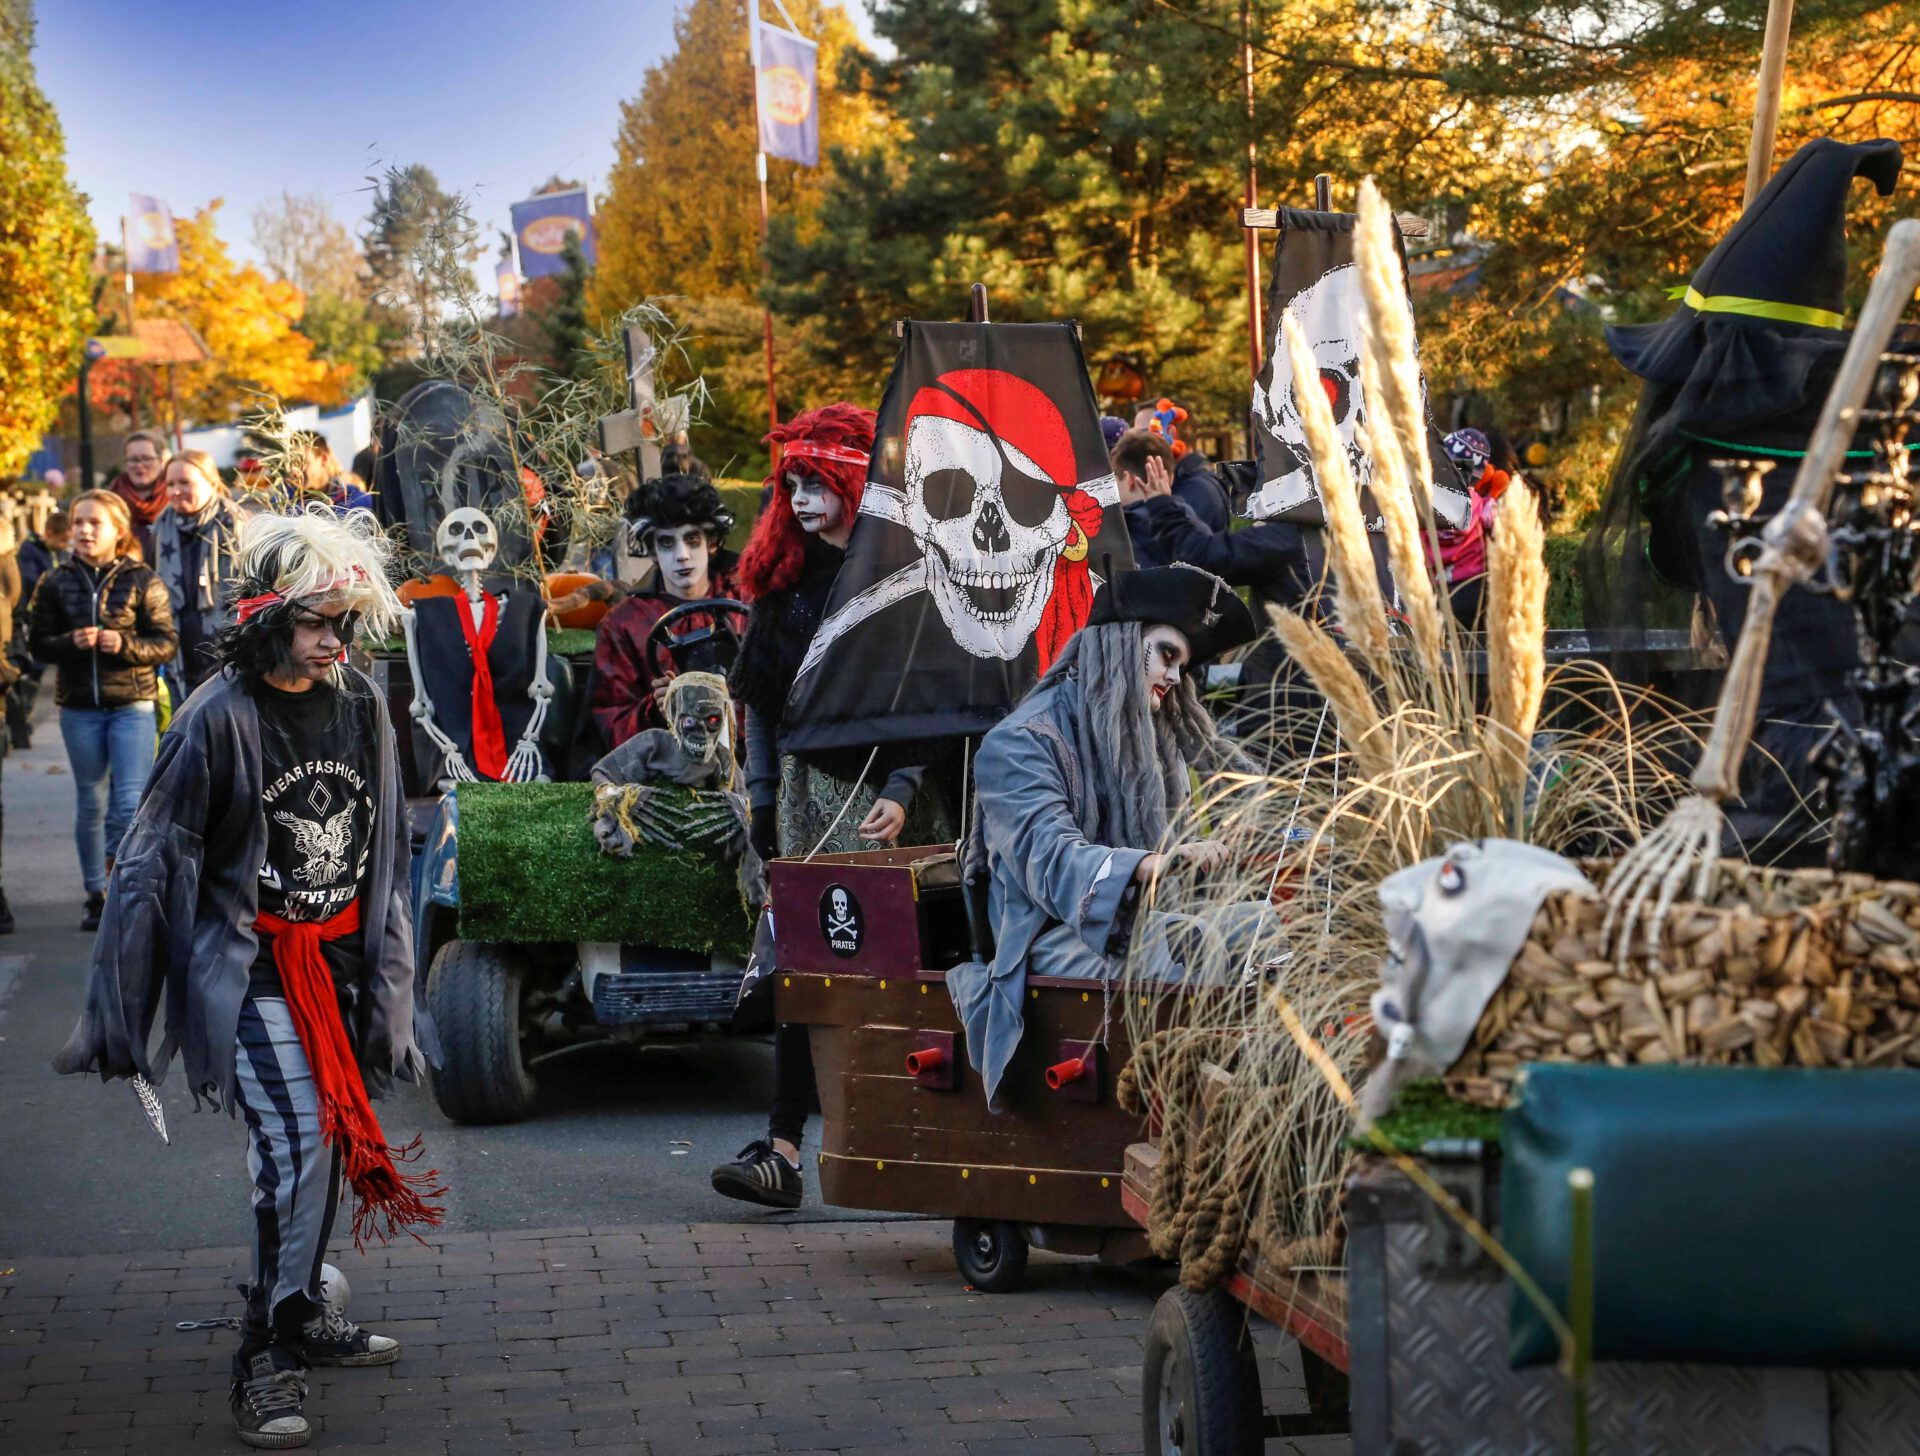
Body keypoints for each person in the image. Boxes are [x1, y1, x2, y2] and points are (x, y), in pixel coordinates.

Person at [52, 505, 440, 1452]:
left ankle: (301, 1308)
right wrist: (118, 1009)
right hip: (256, 964)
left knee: (326, 1146)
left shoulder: (357, 703)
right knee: (303, 1139)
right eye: (314, 625)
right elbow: (148, 867)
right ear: (269, 619)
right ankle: (263, 1356)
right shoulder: (214, 717)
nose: (331, 644)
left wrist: (392, 979)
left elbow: (385, 844)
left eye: (343, 627)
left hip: (341, 962)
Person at [710, 403, 951, 1210]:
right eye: (792, 486)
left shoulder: (900, 578)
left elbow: (937, 701)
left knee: (904, 975)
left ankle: (924, 1141)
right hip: (809, 805)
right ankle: (780, 1149)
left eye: (817, 482)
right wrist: (764, 799)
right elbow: (762, 710)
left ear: (853, 480)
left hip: (891, 806)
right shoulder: (784, 585)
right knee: (803, 969)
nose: (803, 500)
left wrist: (903, 790)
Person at [949, 564, 1261, 1103]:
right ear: (1121, 643)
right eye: (1167, 655)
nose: (1173, 678)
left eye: (1182, 666)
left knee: (1258, 925)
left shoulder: (1143, 736)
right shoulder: (1019, 742)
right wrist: (1144, 865)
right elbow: (1049, 856)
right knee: (1172, 944)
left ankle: (1261, 1097)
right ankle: (1176, 1108)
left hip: (1134, 920)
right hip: (1041, 946)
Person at [29, 490, 176, 932]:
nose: (85, 531)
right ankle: (96, 892)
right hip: (79, 707)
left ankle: (125, 888)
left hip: (132, 702)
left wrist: (124, 644)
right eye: (78, 523)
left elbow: (166, 641)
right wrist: (68, 643)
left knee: (129, 800)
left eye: (94, 523)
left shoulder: (142, 578)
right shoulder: (55, 581)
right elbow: (37, 642)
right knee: (90, 800)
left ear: (118, 530)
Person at [590, 473, 746, 751]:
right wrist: (656, 708)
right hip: (665, 764)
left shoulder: (746, 599)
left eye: (692, 540)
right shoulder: (624, 624)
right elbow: (610, 725)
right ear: (651, 551)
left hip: (753, 758)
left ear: (711, 543)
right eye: (667, 543)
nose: (682, 555)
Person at [154, 448, 243, 694]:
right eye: (170, 484)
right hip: (179, 651)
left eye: (185, 482)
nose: (175, 491)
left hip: (226, 650)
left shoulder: (236, 525)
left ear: (212, 483)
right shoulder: (162, 526)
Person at [8, 509, 64, 750]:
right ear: (49, 533)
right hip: (27, 617)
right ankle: (22, 720)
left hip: (39, 615)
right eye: (62, 540)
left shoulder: (48, 551)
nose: (64, 546)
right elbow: (28, 582)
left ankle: (24, 719)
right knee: (29, 670)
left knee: (34, 671)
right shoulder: (30, 551)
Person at [109, 430, 171, 560]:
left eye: (147, 458)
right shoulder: (110, 502)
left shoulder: (175, 497)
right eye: (133, 459)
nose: (139, 465)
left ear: (160, 461)